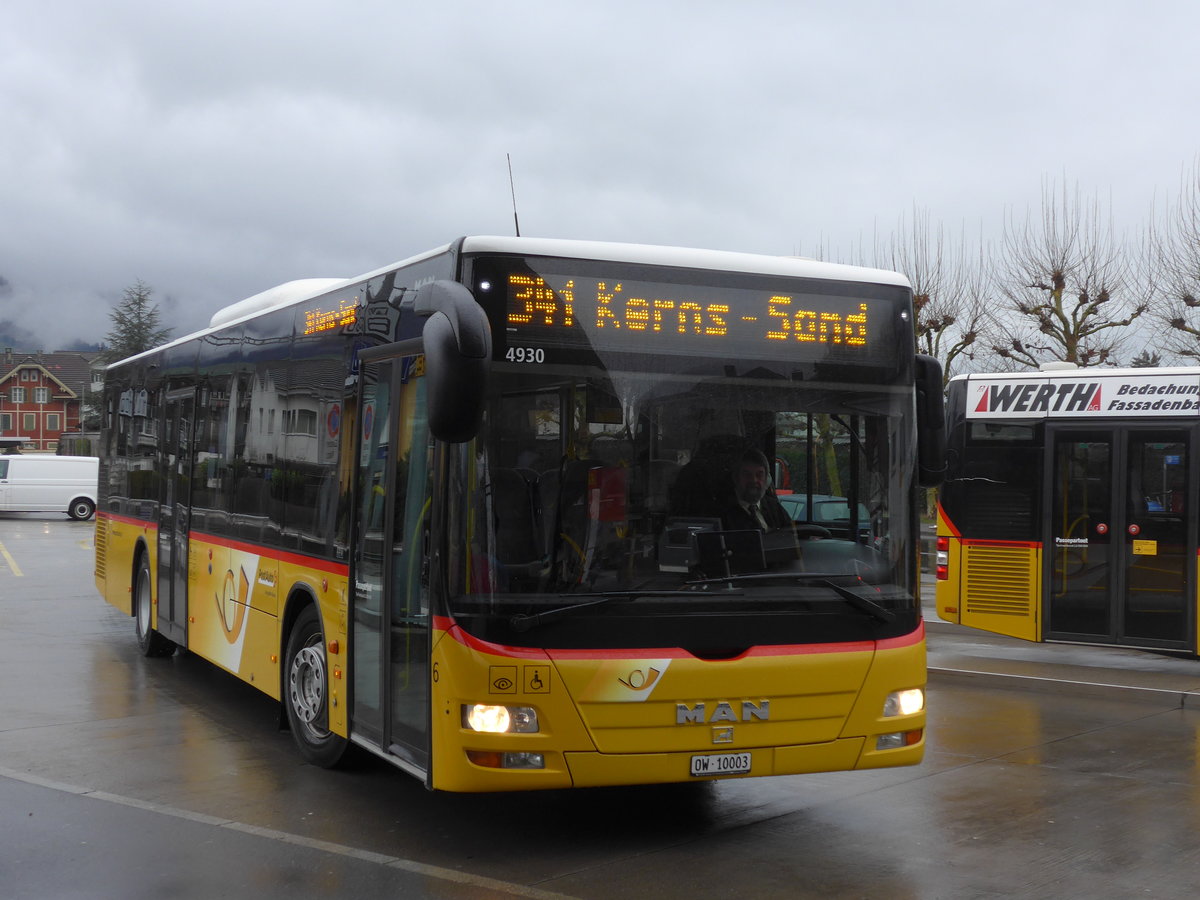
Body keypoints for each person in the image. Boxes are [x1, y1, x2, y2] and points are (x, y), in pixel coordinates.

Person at [720, 449, 792, 533]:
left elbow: (792, 537)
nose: (754, 480)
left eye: (759, 474)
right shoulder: (722, 513)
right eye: (747, 474)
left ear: (766, 479)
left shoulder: (774, 507)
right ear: (736, 478)